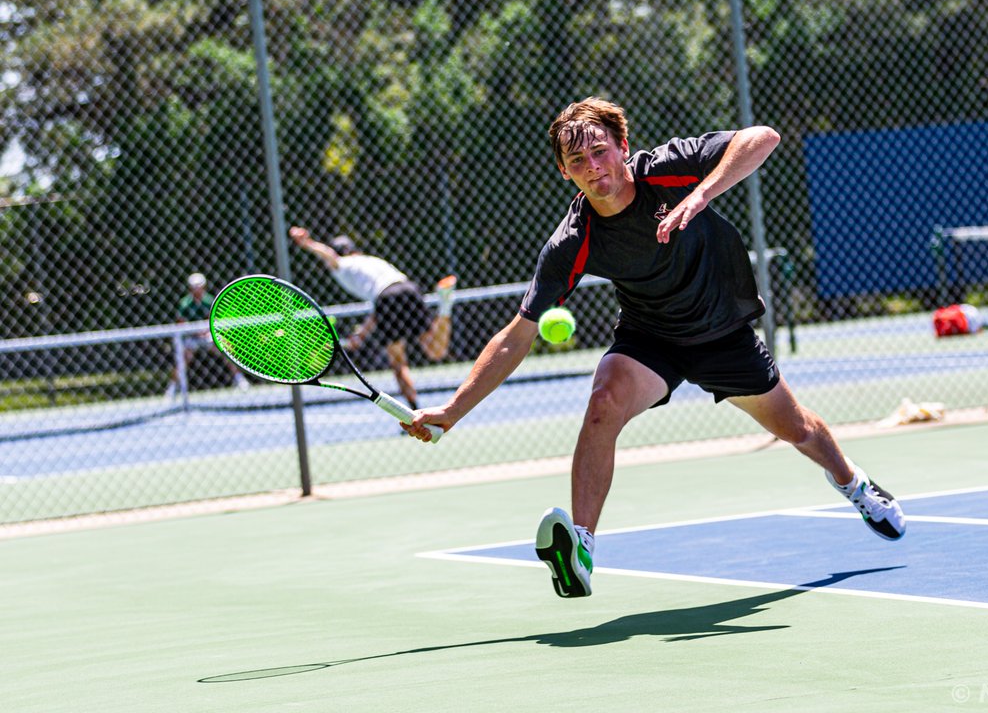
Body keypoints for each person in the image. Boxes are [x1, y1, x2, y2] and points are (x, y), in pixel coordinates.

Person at [405, 97, 906, 599]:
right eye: (577, 160)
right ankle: (581, 546)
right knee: (603, 404)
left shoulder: (667, 169)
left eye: (600, 151)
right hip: (650, 338)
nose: (593, 166)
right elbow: (517, 336)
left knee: (796, 428)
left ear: (623, 146)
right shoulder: (572, 241)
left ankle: (854, 484)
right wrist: (452, 410)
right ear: (564, 171)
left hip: (721, 332)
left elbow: (764, 137)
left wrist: (700, 195)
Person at [288, 227, 456, 408]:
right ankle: (445, 307)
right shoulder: (371, 260)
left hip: (386, 298)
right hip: (408, 288)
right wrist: (361, 334)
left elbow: (330, 257)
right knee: (436, 351)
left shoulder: (344, 265)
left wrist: (307, 243)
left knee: (398, 363)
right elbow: (377, 312)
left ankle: (414, 409)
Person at [164, 272, 250, 398]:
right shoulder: (185, 303)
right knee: (184, 358)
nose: (197, 289)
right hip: (192, 337)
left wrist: (206, 332)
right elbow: (181, 324)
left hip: (208, 335)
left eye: (199, 286)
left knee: (226, 348)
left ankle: (239, 378)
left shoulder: (210, 301)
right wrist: (195, 332)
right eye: (194, 287)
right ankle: (172, 387)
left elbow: (212, 320)